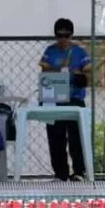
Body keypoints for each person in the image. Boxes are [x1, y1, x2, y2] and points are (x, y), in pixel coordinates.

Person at [39, 18, 91, 182]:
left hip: (74, 98)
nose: (62, 39)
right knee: (55, 137)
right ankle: (60, 173)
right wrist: (58, 70)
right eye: (59, 35)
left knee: (76, 136)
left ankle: (78, 172)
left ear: (71, 35)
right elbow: (44, 71)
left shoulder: (80, 53)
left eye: (66, 35)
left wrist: (77, 75)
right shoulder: (50, 51)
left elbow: (88, 77)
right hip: (54, 98)